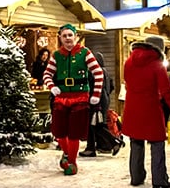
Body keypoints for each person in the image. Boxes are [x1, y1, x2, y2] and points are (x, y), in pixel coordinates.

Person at [122, 36, 170, 188]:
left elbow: (127, 82)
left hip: (132, 108)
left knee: (136, 143)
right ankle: (159, 180)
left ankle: (136, 177)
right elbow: (167, 91)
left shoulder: (128, 62)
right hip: (151, 109)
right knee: (157, 143)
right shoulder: (157, 65)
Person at [43, 24, 103, 175]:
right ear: (61, 38)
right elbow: (47, 75)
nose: (68, 38)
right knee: (59, 132)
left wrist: (95, 94)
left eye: (70, 35)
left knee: (74, 133)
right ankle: (67, 154)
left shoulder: (85, 53)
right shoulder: (56, 55)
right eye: (65, 36)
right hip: (62, 97)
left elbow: (98, 73)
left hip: (80, 97)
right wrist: (52, 86)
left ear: (75, 37)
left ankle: (72, 162)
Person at [80, 51, 123, 157]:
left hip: (96, 101)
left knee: (93, 124)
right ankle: (101, 145)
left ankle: (111, 143)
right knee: (99, 123)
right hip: (104, 100)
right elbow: (111, 86)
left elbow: (90, 87)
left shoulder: (94, 72)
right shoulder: (105, 71)